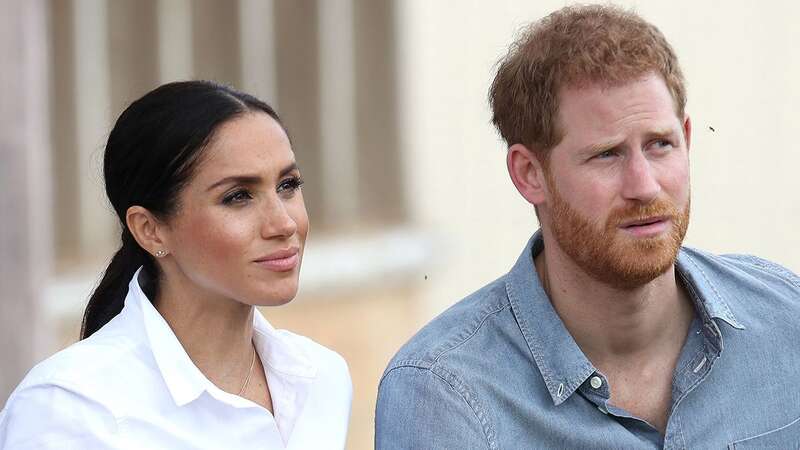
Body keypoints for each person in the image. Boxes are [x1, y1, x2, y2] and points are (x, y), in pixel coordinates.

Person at [376, 5, 800, 449]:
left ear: (688, 139)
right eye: (607, 155)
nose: (644, 185)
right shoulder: (445, 394)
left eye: (660, 145)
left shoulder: (786, 322)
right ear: (529, 174)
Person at [0, 81, 352, 449]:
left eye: (287, 185)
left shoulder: (319, 378)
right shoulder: (72, 409)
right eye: (237, 197)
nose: (284, 224)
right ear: (150, 230)